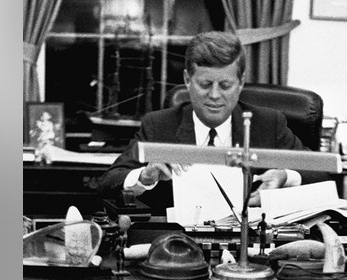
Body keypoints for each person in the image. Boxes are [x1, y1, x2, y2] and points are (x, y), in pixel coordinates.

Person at [96, 31, 322, 214]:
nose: (214, 95)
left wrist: (285, 176)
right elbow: (107, 184)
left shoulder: (267, 123)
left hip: (250, 246)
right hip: (179, 250)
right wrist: (146, 175)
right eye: (205, 84)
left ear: (241, 82)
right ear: (187, 80)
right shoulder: (159, 125)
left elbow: (321, 173)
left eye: (225, 86)